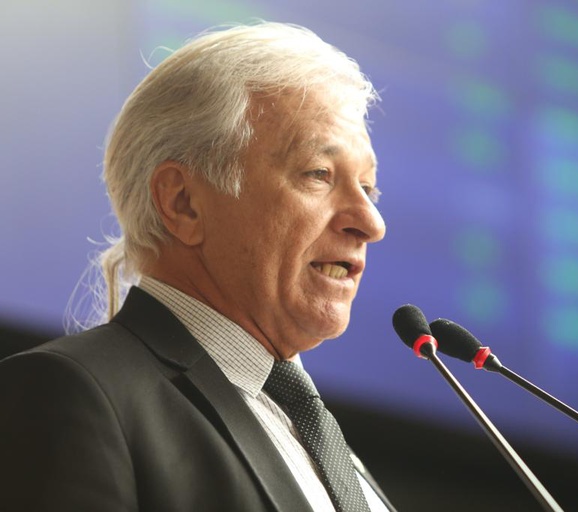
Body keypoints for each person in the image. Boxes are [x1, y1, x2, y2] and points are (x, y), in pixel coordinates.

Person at [0, 22, 393, 511]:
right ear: (183, 203)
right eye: (319, 174)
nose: (371, 223)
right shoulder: (70, 394)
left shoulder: (329, 447)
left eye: (368, 188)